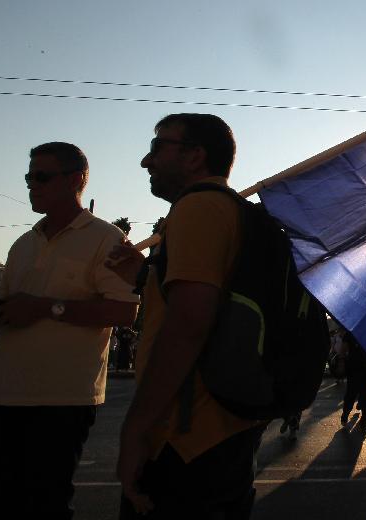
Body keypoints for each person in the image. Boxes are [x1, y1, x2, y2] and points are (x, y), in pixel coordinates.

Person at [106, 113, 263, 519]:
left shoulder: (199, 208)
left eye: (158, 146)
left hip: (185, 437)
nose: (147, 160)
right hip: (222, 429)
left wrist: (137, 427)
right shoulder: (229, 210)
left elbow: (189, 324)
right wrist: (144, 275)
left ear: (195, 156)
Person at [0, 142, 139, 519]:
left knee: (45, 506)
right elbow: (8, 310)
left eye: (42, 177)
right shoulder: (22, 244)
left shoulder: (106, 239)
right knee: (3, 506)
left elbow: (125, 312)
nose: (32, 185)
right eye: (29, 177)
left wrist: (45, 307)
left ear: (76, 180)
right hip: (1, 395)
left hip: (60, 401)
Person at [340, 331, 366, 434]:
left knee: (358, 395)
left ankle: (362, 421)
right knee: (359, 395)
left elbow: (343, 350)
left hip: (362, 370)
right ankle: (358, 421)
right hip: (360, 370)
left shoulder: (351, 331)